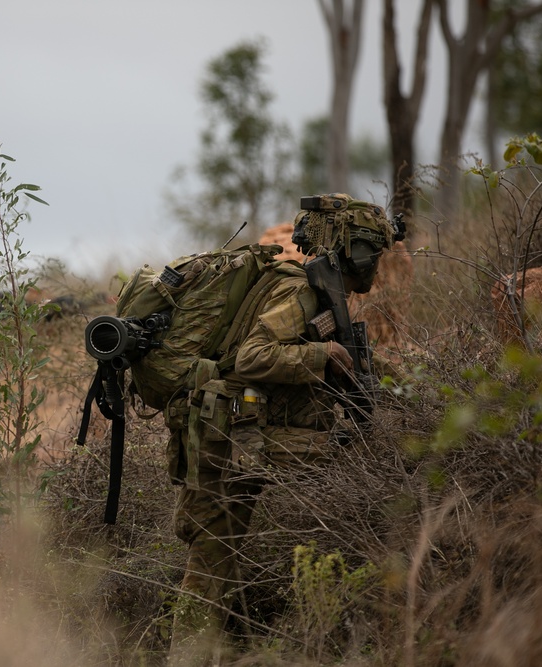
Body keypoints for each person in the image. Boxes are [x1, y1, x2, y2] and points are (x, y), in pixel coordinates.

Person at [167, 193, 402, 663]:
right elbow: (252, 357)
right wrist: (323, 355)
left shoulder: (317, 293)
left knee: (220, 563)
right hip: (228, 434)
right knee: (211, 564)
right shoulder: (298, 291)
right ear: (351, 250)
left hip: (238, 434)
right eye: (371, 251)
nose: (375, 263)